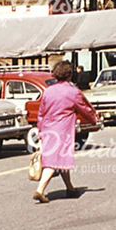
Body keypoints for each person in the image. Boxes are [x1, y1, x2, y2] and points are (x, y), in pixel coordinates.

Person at [33, 60, 98, 204]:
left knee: (59, 159)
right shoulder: (72, 92)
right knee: (52, 162)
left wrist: (40, 129)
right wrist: (94, 120)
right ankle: (40, 190)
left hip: (47, 128)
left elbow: (41, 112)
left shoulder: (48, 91)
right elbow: (85, 108)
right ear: (70, 75)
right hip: (62, 130)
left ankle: (70, 188)